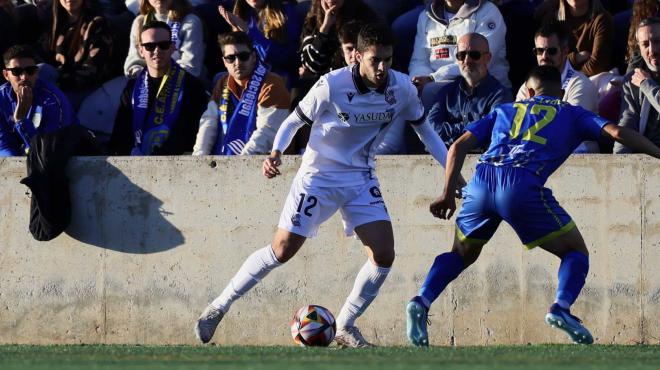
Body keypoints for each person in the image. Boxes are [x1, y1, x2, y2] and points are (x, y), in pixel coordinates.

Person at [195, 23, 455, 348]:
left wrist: (451, 169)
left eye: (388, 59)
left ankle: (345, 324)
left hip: (360, 176)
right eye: (375, 60)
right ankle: (219, 305)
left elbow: (425, 131)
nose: (382, 67)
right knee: (282, 250)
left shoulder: (401, 88)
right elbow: (293, 121)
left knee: (384, 254)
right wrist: (276, 152)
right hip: (318, 175)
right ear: (357, 56)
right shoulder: (331, 85)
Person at [404, 65, 660, 347]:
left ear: (527, 91)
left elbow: (457, 146)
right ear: (562, 93)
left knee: (460, 254)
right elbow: (618, 132)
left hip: (481, 181)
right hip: (521, 184)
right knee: (575, 251)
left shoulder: (506, 109)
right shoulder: (571, 112)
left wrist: (446, 193)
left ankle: (421, 300)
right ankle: (561, 308)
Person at [109, 21, 207, 155]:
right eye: (149, 46)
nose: (157, 50)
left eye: (163, 45)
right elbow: (121, 134)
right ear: (141, 50)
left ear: (173, 47)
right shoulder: (132, 87)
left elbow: (190, 134)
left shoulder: (192, 86)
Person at [193, 31, 290, 155]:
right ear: (224, 62)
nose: (237, 63)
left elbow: (268, 132)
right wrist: (199, 158)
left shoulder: (272, 83)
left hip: (267, 164)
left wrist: (241, 163)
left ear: (254, 57)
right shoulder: (222, 82)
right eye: (231, 58)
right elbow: (209, 122)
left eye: (243, 56)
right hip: (228, 162)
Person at [412, 32, 511, 151]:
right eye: (461, 55)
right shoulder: (447, 92)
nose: (467, 60)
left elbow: (491, 134)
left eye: (474, 55)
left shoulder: (501, 95)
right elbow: (430, 130)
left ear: (488, 58)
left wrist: (449, 134)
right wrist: (473, 128)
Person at [516, 22, 599, 152]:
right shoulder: (526, 86)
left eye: (551, 51)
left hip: (578, 157)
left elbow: (570, 129)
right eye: (539, 51)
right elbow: (518, 126)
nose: (544, 57)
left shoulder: (579, 84)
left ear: (565, 51)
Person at [408, 0, 510, 105]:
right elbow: (419, 60)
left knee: (428, 92)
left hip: (484, 91)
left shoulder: (488, 11)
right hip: (436, 87)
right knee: (407, 93)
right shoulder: (425, 16)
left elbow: (478, 61)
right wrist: (419, 82)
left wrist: (433, 78)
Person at [1, 44, 78, 156]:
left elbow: (48, 152)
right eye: (17, 71)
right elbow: (3, 146)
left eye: (30, 70)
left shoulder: (53, 99)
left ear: (36, 72)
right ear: (6, 75)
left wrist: (21, 120)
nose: (24, 77)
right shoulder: (1, 98)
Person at [40, 0, 115, 108]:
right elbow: (41, 55)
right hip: (56, 83)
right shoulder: (54, 22)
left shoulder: (98, 23)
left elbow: (92, 71)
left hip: (85, 89)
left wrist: (56, 87)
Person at [218, 0, 302, 87]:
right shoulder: (245, 15)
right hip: (250, 75)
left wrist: (249, 32)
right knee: (219, 79)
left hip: (278, 78)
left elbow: (284, 57)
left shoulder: (287, 13)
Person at [124, 0, 205, 79]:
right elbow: (134, 60)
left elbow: (191, 66)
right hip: (147, 81)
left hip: (183, 83)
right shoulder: (140, 22)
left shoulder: (190, 21)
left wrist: (160, 79)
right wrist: (138, 72)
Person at [615, 17, 660, 154]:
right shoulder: (632, 80)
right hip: (647, 156)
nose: (652, 50)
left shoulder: (642, 81)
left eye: (658, 42)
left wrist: (646, 85)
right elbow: (627, 125)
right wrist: (619, 165)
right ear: (639, 48)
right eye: (645, 44)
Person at [541, 0, 614, 77]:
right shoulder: (552, 20)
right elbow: (547, 62)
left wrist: (565, 72)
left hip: (590, 83)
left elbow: (596, 66)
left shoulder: (602, 19)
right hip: (555, 82)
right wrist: (576, 58)